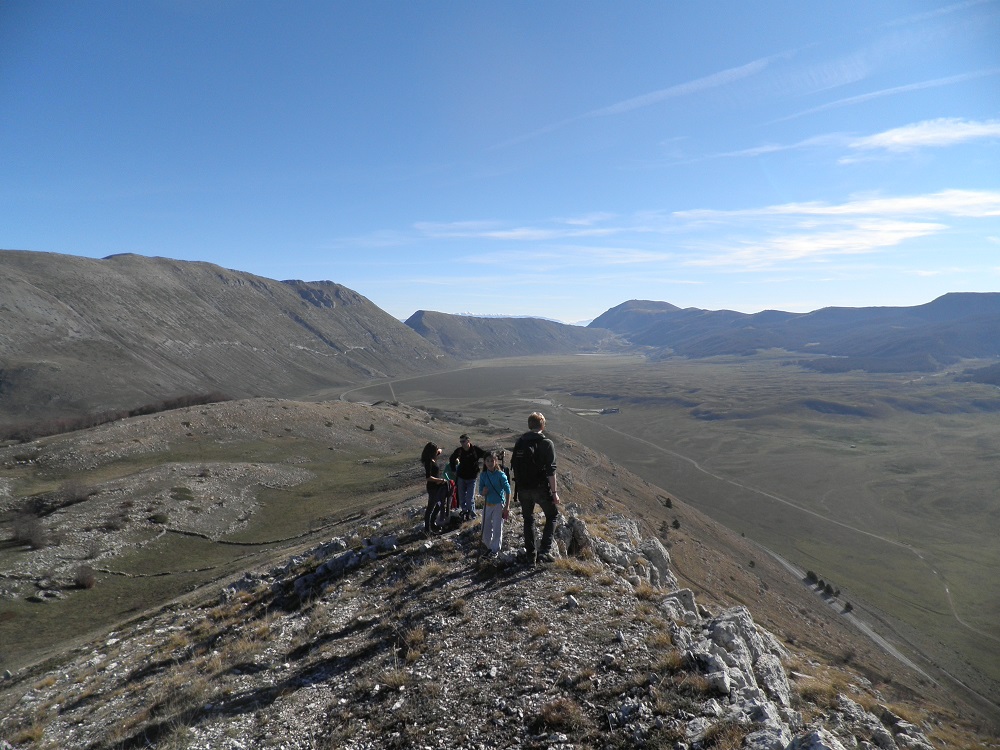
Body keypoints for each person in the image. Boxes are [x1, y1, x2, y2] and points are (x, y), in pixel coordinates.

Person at [511, 412, 560, 563]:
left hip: (523, 489)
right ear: (543, 426)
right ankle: (544, 551)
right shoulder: (546, 444)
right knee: (552, 515)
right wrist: (554, 493)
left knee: (528, 519)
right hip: (540, 488)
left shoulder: (520, 442)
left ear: (529, 425)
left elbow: (514, 465)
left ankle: (530, 555)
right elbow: (551, 471)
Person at [477, 451, 511, 558]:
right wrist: (484, 492)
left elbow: (508, 490)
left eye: (492, 460)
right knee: (485, 528)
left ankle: (495, 550)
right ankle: (490, 547)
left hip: (498, 504)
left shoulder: (501, 475)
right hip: (488, 504)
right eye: (487, 461)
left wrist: (507, 506)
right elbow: (480, 491)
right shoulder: (483, 475)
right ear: (485, 462)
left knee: (497, 528)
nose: (490, 463)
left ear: (496, 461)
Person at [449, 434, 487, 522]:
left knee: (470, 498)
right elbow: (451, 459)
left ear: (468, 441)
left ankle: (473, 516)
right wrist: (453, 470)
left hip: (472, 478)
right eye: (461, 442)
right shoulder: (459, 451)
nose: (462, 443)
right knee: (462, 498)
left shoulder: (475, 450)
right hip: (461, 477)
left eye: (463, 441)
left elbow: (485, 455)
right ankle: (465, 514)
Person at [420, 441, 449, 534]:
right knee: (430, 508)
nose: (437, 452)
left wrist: (439, 450)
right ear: (432, 452)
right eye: (435, 451)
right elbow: (428, 477)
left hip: (437, 487)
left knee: (438, 505)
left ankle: (432, 523)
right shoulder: (428, 462)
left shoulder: (431, 459)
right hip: (433, 487)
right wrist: (439, 480)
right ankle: (427, 529)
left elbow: (439, 451)